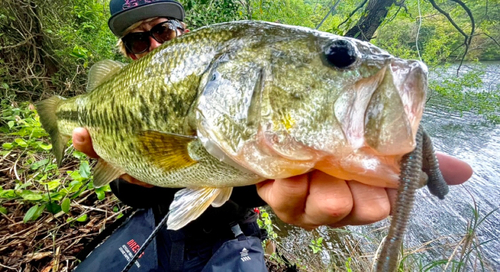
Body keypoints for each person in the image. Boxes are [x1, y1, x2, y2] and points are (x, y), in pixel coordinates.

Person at [73, 0, 474, 270]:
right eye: (138, 39)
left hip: (230, 231)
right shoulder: (112, 96)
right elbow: (133, 188)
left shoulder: (228, 52)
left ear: (183, 28)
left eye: (163, 28)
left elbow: (239, 165)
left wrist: (274, 178)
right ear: (126, 52)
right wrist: (128, 176)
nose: (154, 43)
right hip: (159, 222)